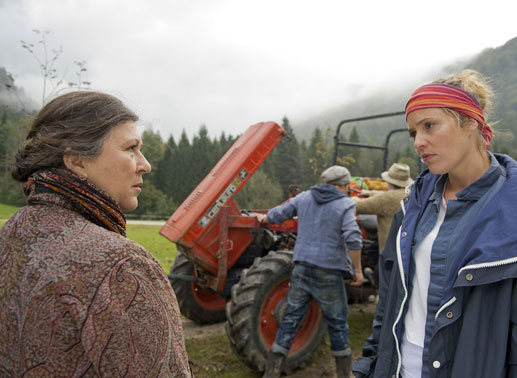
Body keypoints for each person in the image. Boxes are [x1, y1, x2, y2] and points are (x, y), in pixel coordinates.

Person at [0, 91, 192, 377]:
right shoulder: (124, 267)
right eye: (130, 148)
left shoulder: (9, 236)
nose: (145, 164)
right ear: (76, 160)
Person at [352, 69, 517, 378]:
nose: (419, 142)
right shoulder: (413, 204)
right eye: (414, 132)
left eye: (429, 126)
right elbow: (389, 302)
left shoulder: (510, 209)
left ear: (471, 122)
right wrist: (370, 365)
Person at [257, 165, 364, 378]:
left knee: (290, 319)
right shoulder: (345, 204)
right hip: (329, 272)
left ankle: (271, 373)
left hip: (302, 268)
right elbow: (353, 237)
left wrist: (265, 219)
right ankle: (343, 374)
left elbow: (279, 213)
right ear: (342, 186)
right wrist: (358, 270)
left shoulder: (305, 197)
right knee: (337, 324)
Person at [351, 163, 413, 254]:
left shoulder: (387, 199)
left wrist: (353, 197)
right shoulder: (409, 194)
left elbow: (357, 206)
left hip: (389, 251)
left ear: (389, 181)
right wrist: (370, 193)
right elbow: (390, 195)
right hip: (405, 247)